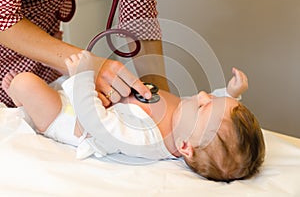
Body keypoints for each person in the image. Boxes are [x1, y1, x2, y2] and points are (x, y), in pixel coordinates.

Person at [2, 50, 265, 182]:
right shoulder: (188, 123)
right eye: (215, 99)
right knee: (51, 76)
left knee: (26, 83)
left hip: (69, 117)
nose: (204, 96)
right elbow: (214, 111)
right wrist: (231, 93)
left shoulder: (147, 138)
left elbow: (98, 125)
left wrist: (83, 77)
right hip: (90, 97)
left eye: (205, 106)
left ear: (185, 147)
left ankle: (20, 100)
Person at [0, 0, 169, 108]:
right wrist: (88, 65)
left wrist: (163, 98)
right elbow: (4, 18)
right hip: (21, 47)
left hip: (43, 58)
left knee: (40, 113)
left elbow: (140, 17)